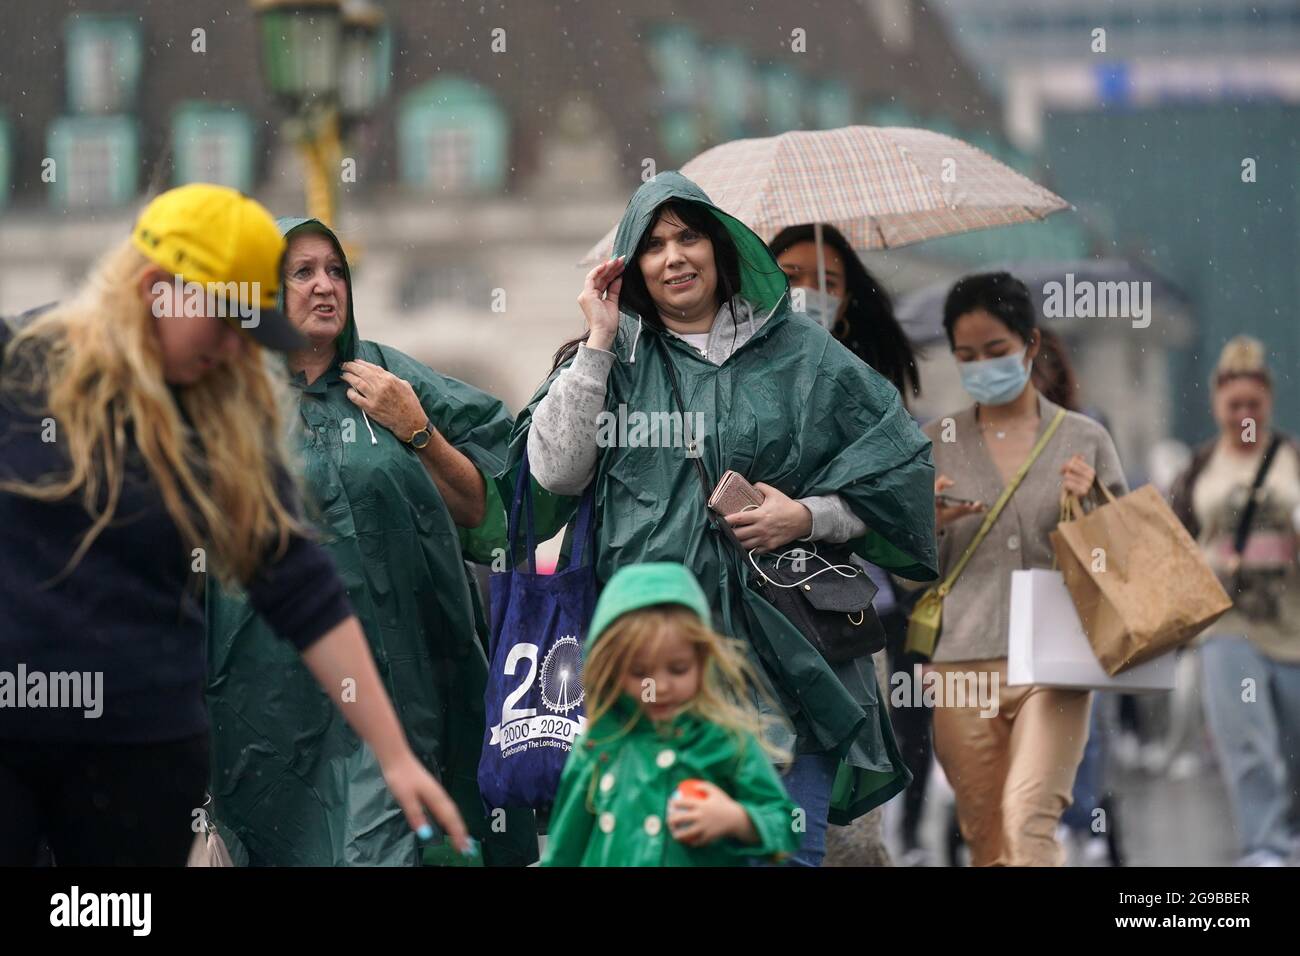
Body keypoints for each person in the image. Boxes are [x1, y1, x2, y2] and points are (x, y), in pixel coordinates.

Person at [0, 185, 468, 866]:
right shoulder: (20, 364)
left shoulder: (223, 411)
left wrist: (394, 756)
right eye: (225, 323)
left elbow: (300, 587)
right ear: (160, 289)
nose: (233, 350)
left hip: (140, 751)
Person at [509, 172, 938, 867]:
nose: (674, 257)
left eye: (688, 236)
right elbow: (554, 471)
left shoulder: (802, 354)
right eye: (652, 245)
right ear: (631, 267)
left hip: (791, 663)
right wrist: (596, 337)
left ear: (721, 247)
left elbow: (899, 473)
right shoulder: (610, 357)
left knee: (787, 850)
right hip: (662, 668)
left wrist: (804, 516)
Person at [206, 217, 534, 866]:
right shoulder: (227, 403)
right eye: (301, 273)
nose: (325, 286)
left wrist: (419, 432)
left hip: (400, 695)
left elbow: (488, 508)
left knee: (381, 846)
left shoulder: (387, 379)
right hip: (270, 709)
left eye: (335, 271)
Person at [923, 271, 1127, 866]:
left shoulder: (1085, 439)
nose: (981, 366)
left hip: (1055, 659)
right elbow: (913, 577)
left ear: (1031, 346)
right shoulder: (937, 441)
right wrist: (927, 523)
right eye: (966, 356)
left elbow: (1120, 564)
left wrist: (1090, 503)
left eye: (996, 351)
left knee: (1028, 816)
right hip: (961, 662)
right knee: (985, 836)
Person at [770, 222, 923, 865]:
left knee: (851, 831)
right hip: (758, 619)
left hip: (849, 625)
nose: (807, 291)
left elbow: (889, 502)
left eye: (824, 279)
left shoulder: (871, 390)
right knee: (775, 817)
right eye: (790, 276)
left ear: (849, 295)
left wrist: (812, 512)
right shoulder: (733, 375)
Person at [541, 562, 800, 866]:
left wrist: (737, 819)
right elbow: (563, 853)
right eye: (640, 672)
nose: (659, 687)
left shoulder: (724, 740)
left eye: (678, 669)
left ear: (702, 661)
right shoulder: (597, 746)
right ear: (613, 670)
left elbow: (787, 824)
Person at [1169, 336, 1300, 867]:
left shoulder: (1291, 458)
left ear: (1267, 402)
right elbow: (1171, 544)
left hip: (1292, 623)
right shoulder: (1199, 469)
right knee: (1246, 742)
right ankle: (1264, 844)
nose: (1244, 413)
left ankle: (1288, 828)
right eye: (1234, 405)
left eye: (1253, 404)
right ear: (1217, 405)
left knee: (1292, 743)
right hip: (1226, 626)